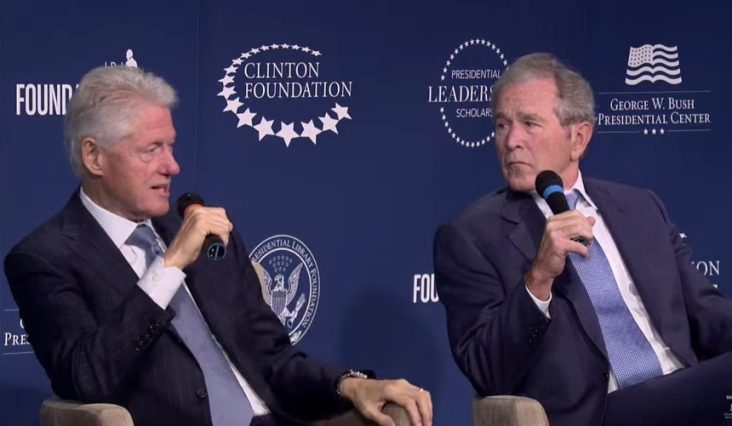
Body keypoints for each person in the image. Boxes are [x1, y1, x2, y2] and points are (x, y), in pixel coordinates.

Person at [4, 65, 432, 426]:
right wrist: (169, 266)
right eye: (151, 150)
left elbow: (274, 359)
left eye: (171, 146)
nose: (172, 166)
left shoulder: (206, 233)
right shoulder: (45, 259)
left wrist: (349, 384)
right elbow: (87, 377)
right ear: (94, 157)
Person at [433, 53, 732, 426]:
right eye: (502, 124)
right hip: (597, 413)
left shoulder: (640, 207)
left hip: (683, 392)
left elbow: (706, 311)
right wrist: (538, 279)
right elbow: (486, 369)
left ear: (578, 138)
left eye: (529, 123)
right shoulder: (470, 237)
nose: (511, 141)